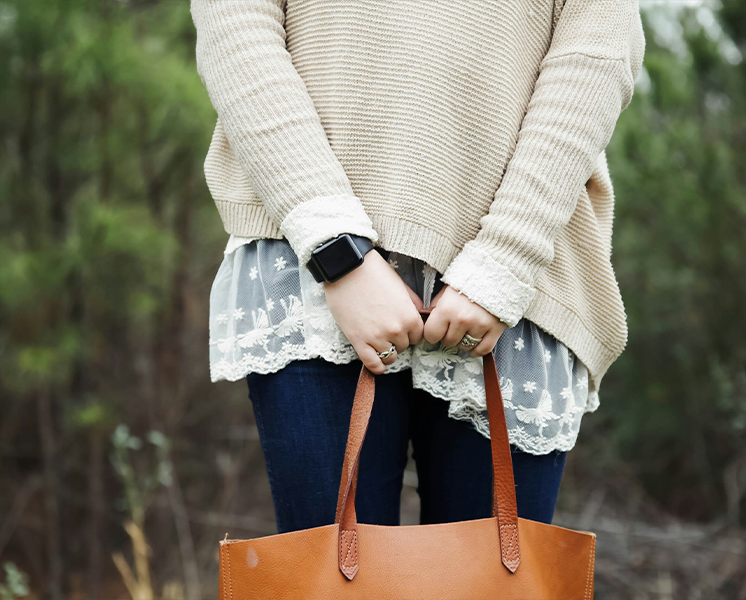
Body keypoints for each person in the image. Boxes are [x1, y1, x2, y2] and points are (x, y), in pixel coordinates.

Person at [191, 0, 646, 531]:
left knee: (491, 589)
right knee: (334, 587)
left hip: (520, 281)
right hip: (311, 270)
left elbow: (597, 51)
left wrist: (506, 259)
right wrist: (336, 249)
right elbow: (235, 25)